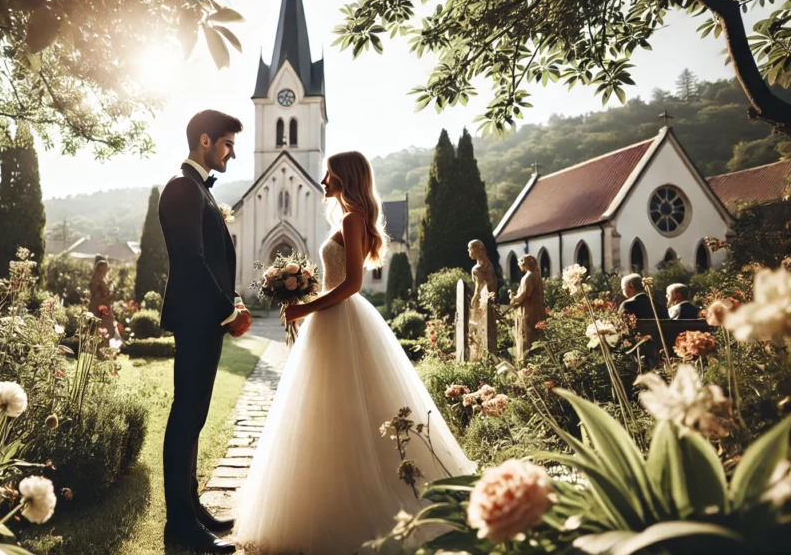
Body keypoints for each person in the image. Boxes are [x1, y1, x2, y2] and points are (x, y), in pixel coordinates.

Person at [234, 151, 476, 555]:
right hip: (331, 316)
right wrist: (305, 293)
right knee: (331, 410)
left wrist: (303, 307)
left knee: (340, 409)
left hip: (339, 316)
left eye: (329, 175)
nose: (323, 181)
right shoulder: (350, 217)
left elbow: (351, 286)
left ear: (344, 178)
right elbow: (336, 280)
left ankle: (355, 505)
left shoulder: (351, 219)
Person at [158, 110, 251, 555]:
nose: (232, 151)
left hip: (204, 318)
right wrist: (227, 311)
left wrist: (229, 306)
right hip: (197, 317)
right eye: (228, 143)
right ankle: (179, 524)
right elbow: (191, 259)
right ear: (205, 140)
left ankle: (192, 510)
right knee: (184, 419)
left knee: (194, 418)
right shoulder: (182, 188)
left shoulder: (199, 189)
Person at [510, 254, 547, 362]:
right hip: (538, 309)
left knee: (528, 335)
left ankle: (528, 361)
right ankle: (539, 359)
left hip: (528, 311)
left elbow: (523, 295)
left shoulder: (528, 277)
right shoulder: (536, 275)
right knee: (538, 335)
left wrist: (513, 298)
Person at [88, 260, 122, 341]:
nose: (107, 270)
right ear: (101, 268)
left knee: (106, 327)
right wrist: (111, 297)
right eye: (105, 268)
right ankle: (103, 347)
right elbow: (97, 296)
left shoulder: (99, 278)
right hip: (99, 308)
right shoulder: (96, 280)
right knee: (105, 327)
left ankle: (105, 346)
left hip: (102, 307)